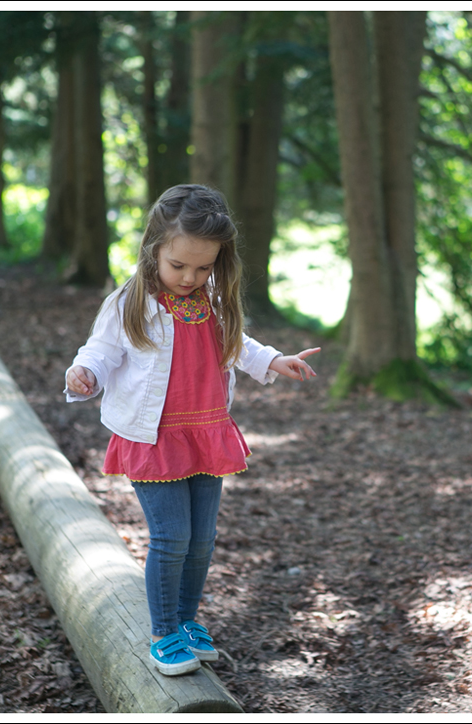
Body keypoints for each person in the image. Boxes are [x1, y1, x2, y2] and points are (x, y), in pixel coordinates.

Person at [64, 184, 319, 676]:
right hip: (154, 437)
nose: (190, 276)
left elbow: (238, 344)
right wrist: (85, 373)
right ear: (154, 248)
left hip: (206, 431)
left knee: (203, 538)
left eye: (203, 267)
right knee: (172, 536)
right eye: (179, 265)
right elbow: (100, 350)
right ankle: (163, 631)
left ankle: (185, 619)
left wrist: (275, 360)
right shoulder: (128, 303)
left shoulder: (214, 299)